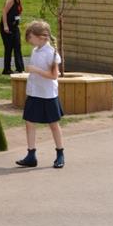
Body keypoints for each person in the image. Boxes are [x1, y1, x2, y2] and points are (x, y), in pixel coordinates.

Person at [15, 20, 65, 169]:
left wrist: (35, 70)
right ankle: (31, 155)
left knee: (53, 125)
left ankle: (60, 154)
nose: (29, 41)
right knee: (29, 123)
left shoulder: (52, 53)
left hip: (48, 95)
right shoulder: (35, 50)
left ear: (41, 37)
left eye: (30, 37)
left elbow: (54, 75)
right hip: (34, 93)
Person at [0, 0, 27, 74]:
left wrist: (18, 19)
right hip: (7, 27)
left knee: (17, 46)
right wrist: (5, 25)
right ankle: (6, 69)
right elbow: (4, 12)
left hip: (15, 26)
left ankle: (20, 68)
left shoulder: (18, 0)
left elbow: (18, 12)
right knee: (8, 48)